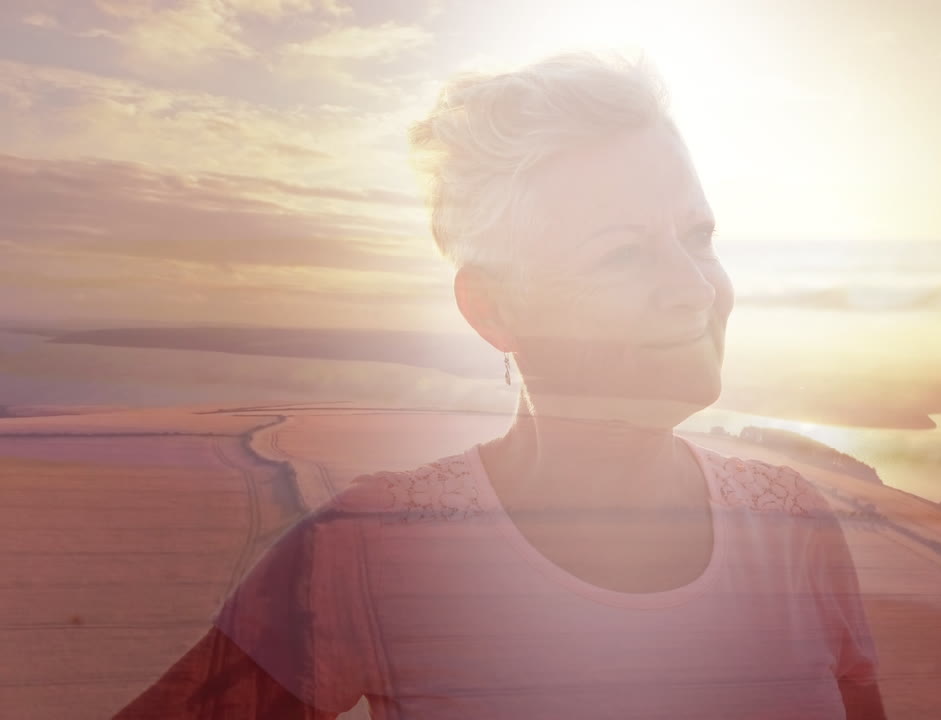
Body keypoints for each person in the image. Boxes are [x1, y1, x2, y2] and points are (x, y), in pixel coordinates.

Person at [111, 49, 886, 720]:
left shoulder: (797, 532)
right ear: (494, 308)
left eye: (698, 236)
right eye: (622, 255)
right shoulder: (373, 551)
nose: (693, 287)